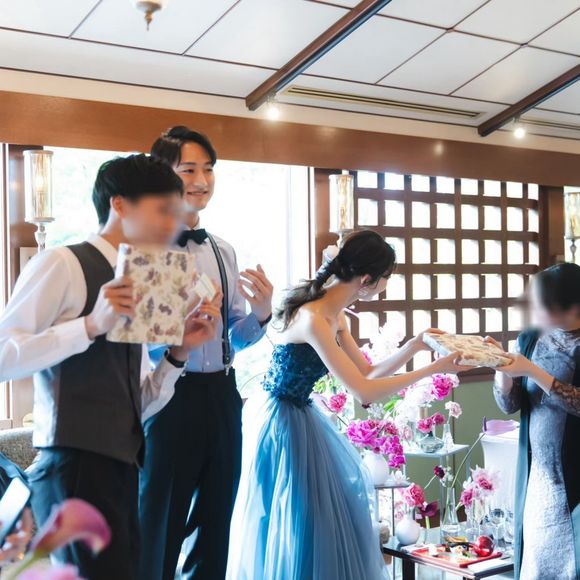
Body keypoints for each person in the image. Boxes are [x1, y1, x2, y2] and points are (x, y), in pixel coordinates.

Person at [0, 154, 221, 580]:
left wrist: (178, 353)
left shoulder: (144, 282)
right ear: (119, 204)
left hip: (124, 468)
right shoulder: (62, 263)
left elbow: (136, 402)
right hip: (73, 469)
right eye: (163, 210)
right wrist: (89, 326)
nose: (173, 224)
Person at [226, 230, 466, 580]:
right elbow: (364, 391)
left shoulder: (334, 315)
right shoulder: (314, 318)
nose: (386, 284)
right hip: (282, 424)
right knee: (299, 521)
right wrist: (433, 368)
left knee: (321, 520)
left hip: (301, 414)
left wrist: (415, 346)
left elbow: (366, 371)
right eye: (386, 277)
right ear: (367, 279)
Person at [139, 127, 273, 580]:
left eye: (208, 169)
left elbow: (236, 337)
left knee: (217, 523)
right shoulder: (148, 250)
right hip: (169, 399)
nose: (201, 180)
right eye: (189, 170)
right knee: (161, 522)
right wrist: (182, 328)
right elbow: (142, 346)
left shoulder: (223, 250)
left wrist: (262, 313)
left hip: (222, 395)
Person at [490, 262, 580, 580]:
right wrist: (501, 369)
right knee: (537, 564)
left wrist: (532, 370)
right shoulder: (530, 338)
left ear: (571, 307)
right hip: (539, 477)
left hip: (575, 476)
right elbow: (510, 404)